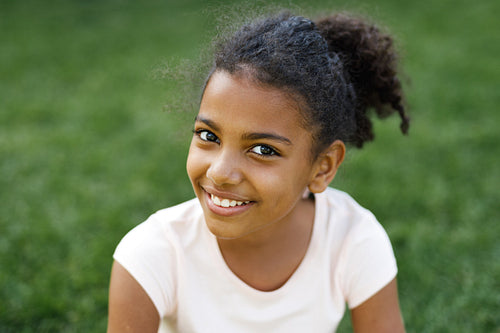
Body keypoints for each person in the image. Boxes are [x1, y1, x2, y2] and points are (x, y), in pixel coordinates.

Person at [107, 10, 409, 333]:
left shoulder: (352, 238)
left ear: (323, 167)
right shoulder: (152, 255)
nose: (221, 173)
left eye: (263, 150)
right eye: (209, 136)